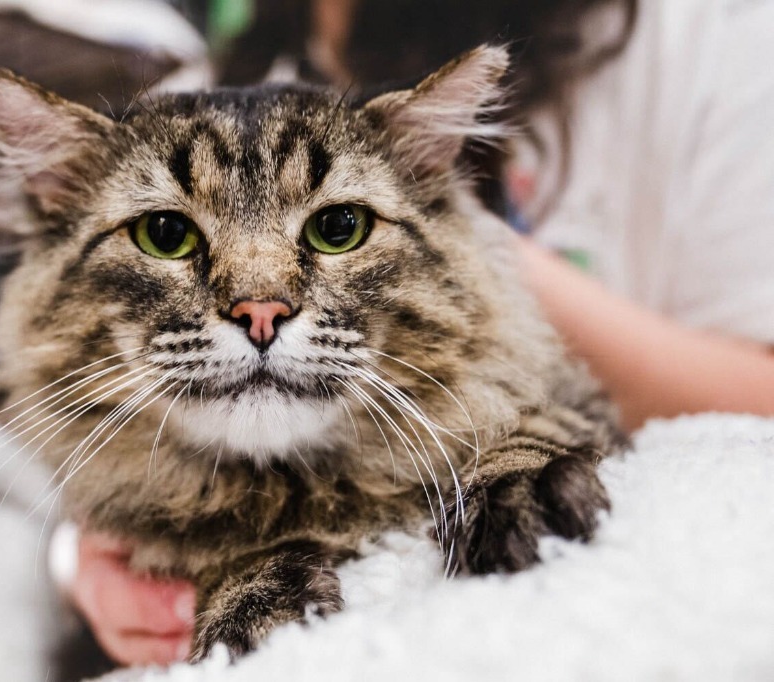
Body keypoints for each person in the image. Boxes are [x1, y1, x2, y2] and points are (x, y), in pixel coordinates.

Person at [60, 0, 774, 668]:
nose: (259, 307)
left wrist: (474, 243)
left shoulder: (705, 31)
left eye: (336, 227)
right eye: (169, 232)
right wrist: (80, 557)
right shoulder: (197, 90)